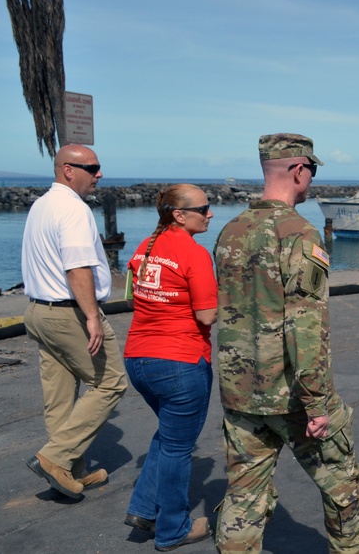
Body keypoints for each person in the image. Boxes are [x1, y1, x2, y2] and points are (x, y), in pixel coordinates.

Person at [214, 134, 359, 554]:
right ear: (299, 170)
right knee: (343, 482)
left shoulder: (230, 230)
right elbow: (305, 325)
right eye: (311, 171)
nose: (311, 180)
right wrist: (316, 402)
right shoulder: (298, 232)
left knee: (245, 495)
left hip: (240, 391)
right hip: (293, 393)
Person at [21, 144, 128, 499]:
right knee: (110, 381)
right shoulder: (73, 209)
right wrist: (92, 318)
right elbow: (77, 267)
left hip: (38, 311)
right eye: (93, 167)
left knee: (60, 393)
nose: (99, 174)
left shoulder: (42, 205)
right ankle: (54, 458)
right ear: (68, 170)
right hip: (68, 313)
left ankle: (71, 469)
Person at [123, 184, 218, 551]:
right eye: (204, 208)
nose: (210, 214)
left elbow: (138, 298)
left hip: (139, 359)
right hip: (180, 362)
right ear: (178, 214)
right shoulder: (194, 254)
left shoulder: (145, 247)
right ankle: (172, 529)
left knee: (169, 435)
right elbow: (206, 314)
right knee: (179, 447)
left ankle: (144, 508)